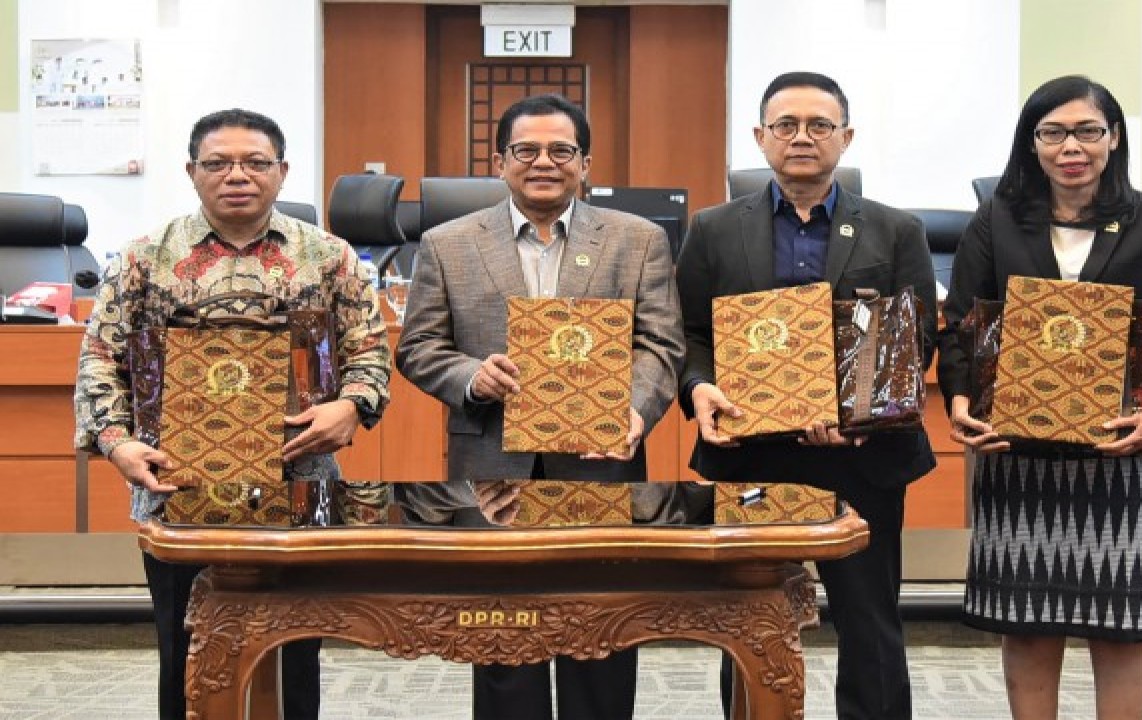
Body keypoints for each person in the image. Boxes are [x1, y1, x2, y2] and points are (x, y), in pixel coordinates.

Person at [73, 108, 393, 720]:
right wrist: (117, 442)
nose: (237, 175)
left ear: (282, 172)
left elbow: (368, 350)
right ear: (192, 172)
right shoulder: (145, 257)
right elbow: (100, 358)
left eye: (255, 162)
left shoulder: (329, 256)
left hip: (303, 476)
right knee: (188, 641)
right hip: (175, 477)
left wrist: (351, 407)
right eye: (218, 163)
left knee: (298, 639)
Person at [395, 94, 692, 720]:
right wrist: (472, 376)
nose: (543, 162)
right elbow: (418, 348)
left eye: (562, 150)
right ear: (501, 161)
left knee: (602, 642)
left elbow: (661, 343)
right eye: (526, 150)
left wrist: (633, 410)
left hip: (603, 469)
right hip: (489, 471)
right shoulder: (448, 242)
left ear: (586, 163)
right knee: (504, 646)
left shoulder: (638, 241)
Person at [936, 75, 1142, 719]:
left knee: (1123, 628)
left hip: (1128, 456)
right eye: (1053, 132)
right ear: (1031, 144)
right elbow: (960, 329)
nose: (1072, 146)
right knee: (1029, 624)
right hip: (1021, 455)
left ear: (1113, 138)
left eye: (1088, 130)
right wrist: (957, 400)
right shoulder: (997, 221)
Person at [675, 71, 938, 720]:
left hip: (861, 457)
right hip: (750, 455)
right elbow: (687, 331)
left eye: (819, 125)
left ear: (846, 138)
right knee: (749, 622)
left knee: (870, 623)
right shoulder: (711, 229)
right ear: (761, 137)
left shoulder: (895, 229)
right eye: (786, 125)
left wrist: (862, 415)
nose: (802, 137)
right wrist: (698, 385)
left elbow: (915, 337)